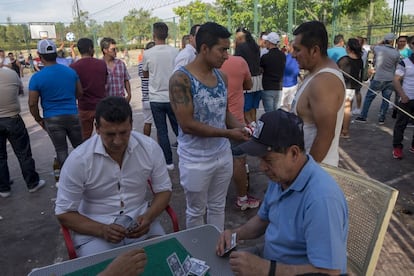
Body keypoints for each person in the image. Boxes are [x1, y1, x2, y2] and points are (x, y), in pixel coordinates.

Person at [216, 109, 348, 276]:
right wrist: (234, 234)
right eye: (260, 159)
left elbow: (330, 272)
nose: (262, 167)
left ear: (293, 153)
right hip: (273, 259)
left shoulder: (321, 200)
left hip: (292, 270)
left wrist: (265, 270)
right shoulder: (280, 178)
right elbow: (262, 220)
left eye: (268, 159)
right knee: (216, 266)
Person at [55, 96, 172, 257]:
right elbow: (64, 213)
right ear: (96, 127)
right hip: (95, 233)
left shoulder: (149, 148)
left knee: (163, 261)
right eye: (110, 134)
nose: (117, 141)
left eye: (124, 133)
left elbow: (164, 190)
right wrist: (102, 230)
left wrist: (149, 217)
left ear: (131, 125)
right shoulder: (79, 160)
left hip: (141, 225)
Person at [169, 22, 250, 231]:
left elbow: (224, 113)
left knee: (217, 206)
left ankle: (216, 250)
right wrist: (228, 133)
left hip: (222, 156)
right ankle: (197, 253)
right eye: (222, 49)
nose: (226, 55)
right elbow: (187, 125)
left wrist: (242, 128)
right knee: (196, 211)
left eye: (228, 49)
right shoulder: (181, 79)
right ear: (204, 48)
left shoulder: (221, 77)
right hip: (195, 159)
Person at [291, 21, 346, 167]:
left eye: (297, 50)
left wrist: (306, 173)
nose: (293, 55)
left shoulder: (324, 81)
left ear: (314, 50)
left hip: (317, 171)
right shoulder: (316, 74)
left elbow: (326, 135)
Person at [28, 39, 83, 168]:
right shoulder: (70, 72)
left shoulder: (37, 77)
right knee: (80, 147)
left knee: (61, 150)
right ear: (56, 54)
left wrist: (38, 119)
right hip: (72, 114)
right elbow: (80, 92)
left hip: (52, 118)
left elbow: (32, 103)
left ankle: (67, 179)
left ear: (39, 55)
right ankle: (87, 174)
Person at [221, 54, 260, 210]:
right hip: (235, 119)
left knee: (218, 159)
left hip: (219, 122)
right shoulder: (239, 62)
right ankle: (242, 198)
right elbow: (249, 85)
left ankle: (215, 198)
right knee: (239, 160)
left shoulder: (202, 68)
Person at [0, 66, 45, 198]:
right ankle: (32, 184)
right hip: (13, 118)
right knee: (23, 154)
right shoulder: (11, 73)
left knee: (0, 156)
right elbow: (20, 91)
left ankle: (4, 188)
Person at [142, 22, 179, 170]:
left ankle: (168, 162)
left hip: (156, 98)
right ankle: (186, 155)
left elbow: (145, 74)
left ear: (154, 35)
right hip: (173, 97)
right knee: (178, 129)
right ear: (167, 34)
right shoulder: (175, 52)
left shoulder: (148, 53)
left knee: (161, 131)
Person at [355, 33, 400, 124]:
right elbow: (396, 66)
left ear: (385, 40)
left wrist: (381, 42)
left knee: (369, 98)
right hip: (390, 78)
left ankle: (363, 116)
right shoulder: (396, 52)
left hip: (378, 77)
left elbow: (372, 47)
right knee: (386, 99)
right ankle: (381, 118)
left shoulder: (378, 48)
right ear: (392, 41)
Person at [70, 38, 108, 140]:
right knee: (104, 134)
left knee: (85, 136)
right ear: (91, 49)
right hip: (101, 105)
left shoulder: (73, 67)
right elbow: (105, 81)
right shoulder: (101, 64)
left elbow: (73, 88)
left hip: (84, 106)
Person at [392, 36, 414, 159]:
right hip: (407, 99)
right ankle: (397, 148)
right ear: (411, 46)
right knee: (401, 124)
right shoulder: (404, 62)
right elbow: (395, 80)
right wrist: (403, 95)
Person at [234, 27, 262, 126]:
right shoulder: (255, 46)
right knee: (253, 109)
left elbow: (237, 64)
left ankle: (252, 130)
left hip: (247, 82)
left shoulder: (240, 48)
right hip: (258, 80)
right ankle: (255, 127)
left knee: (245, 110)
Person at [337, 38, 364, 138]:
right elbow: (361, 74)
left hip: (344, 87)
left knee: (343, 110)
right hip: (353, 87)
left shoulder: (344, 59)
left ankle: (344, 130)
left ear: (348, 47)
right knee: (347, 109)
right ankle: (344, 130)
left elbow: (335, 71)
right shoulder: (359, 60)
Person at [260, 32, 286, 112]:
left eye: (266, 42)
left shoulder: (265, 57)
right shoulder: (282, 56)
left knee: (269, 114)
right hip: (278, 87)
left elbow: (260, 69)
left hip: (267, 87)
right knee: (277, 112)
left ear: (269, 42)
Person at [101, 37, 132, 103]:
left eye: (116, 49)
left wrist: (129, 94)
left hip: (120, 101)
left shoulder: (120, 64)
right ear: (105, 50)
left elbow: (126, 80)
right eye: (113, 49)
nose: (116, 51)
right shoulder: (99, 65)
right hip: (106, 102)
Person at [138, 41, 155, 136]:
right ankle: (161, 147)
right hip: (155, 97)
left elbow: (142, 75)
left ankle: (146, 142)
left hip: (145, 97)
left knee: (147, 122)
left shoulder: (141, 64)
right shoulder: (156, 63)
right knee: (160, 125)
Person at [281, 41, 300, 112]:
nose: (286, 47)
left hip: (284, 85)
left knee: (282, 105)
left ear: (291, 47)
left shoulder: (285, 58)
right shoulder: (298, 58)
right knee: (291, 104)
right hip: (293, 84)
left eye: (288, 46)